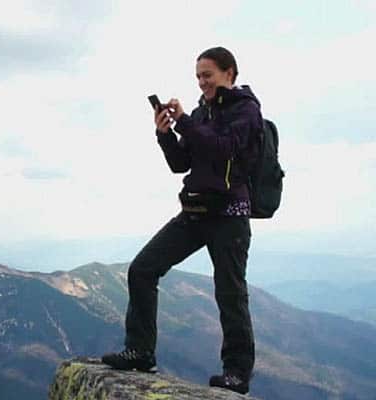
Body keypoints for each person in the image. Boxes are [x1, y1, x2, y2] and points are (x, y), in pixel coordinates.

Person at [101, 46, 262, 395]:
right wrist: (165, 134)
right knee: (142, 269)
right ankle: (141, 352)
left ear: (229, 73)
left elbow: (223, 149)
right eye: (198, 76)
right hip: (196, 212)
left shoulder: (246, 110)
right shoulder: (203, 112)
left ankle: (237, 373)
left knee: (230, 293)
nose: (202, 82)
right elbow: (182, 164)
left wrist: (186, 122)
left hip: (230, 215)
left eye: (208, 75)